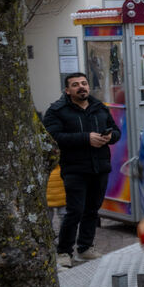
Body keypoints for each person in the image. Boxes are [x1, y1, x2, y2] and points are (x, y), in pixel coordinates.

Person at [43, 72, 122, 268]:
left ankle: (85, 248)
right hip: (74, 168)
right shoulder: (57, 110)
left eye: (84, 83)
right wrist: (86, 138)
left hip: (99, 167)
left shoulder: (99, 107)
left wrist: (109, 137)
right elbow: (53, 137)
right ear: (67, 90)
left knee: (92, 210)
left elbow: (116, 131)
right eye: (75, 84)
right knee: (74, 211)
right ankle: (64, 252)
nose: (81, 87)